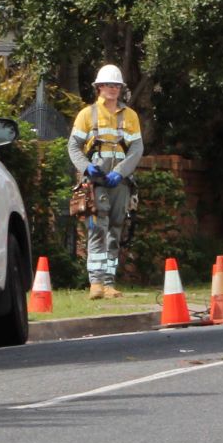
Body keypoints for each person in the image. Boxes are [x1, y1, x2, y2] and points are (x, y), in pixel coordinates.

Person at [67, 65, 143, 299]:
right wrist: (86, 167)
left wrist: (121, 172)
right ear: (99, 87)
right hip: (96, 181)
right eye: (109, 85)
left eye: (116, 85)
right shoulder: (87, 114)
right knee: (97, 227)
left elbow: (137, 148)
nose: (113, 89)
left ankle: (109, 283)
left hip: (120, 181)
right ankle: (96, 283)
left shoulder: (130, 116)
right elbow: (73, 146)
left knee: (116, 228)